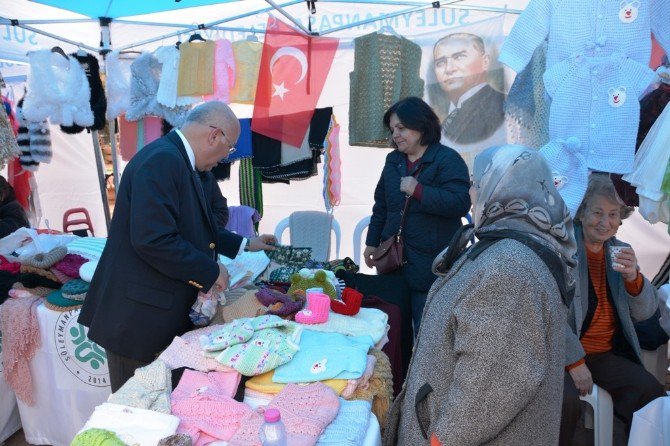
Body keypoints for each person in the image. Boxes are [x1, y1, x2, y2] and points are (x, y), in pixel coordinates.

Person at [384, 145, 576, 446]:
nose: (471, 193)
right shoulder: (505, 248)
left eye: (476, 182)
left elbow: (489, 386)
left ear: (502, 187)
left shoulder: (510, 268)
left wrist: (440, 439)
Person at [78, 101, 276, 392]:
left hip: (154, 311)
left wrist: (245, 243)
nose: (226, 158)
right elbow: (153, 239)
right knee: (136, 412)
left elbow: (195, 226)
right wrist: (209, 271)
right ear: (214, 136)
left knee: (162, 406)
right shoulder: (162, 160)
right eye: (230, 148)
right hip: (136, 320)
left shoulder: (182, 161)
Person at [560, 174, 664, 446]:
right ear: (582, 213)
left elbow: (645, 313)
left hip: (604, 355)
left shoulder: (620, 251)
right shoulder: (563, 250)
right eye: (597, 212)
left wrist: (634, 279)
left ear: (621, 219)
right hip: (564, 355)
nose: (605, 222)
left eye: (613, 214)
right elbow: (549, 316)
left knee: (650, 394)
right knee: (564, 403)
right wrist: (574, 361)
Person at [363, 96, 470, 333]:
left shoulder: (447, 159)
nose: (395, 135)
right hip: (394, 263)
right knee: (393, 332)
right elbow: (381, 205)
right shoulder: (393, 161)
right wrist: (372, 242)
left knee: (428, 335)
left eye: (401, 128)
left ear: (421, 125)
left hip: (431, 265)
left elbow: (461, 203)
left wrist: (419, 190)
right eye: (392, 130)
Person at [428, 33, 506, 150]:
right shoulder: (449, 113)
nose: (449, 69)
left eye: (459, 57)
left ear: (485, 61)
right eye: (441, 62)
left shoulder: (503, 104)